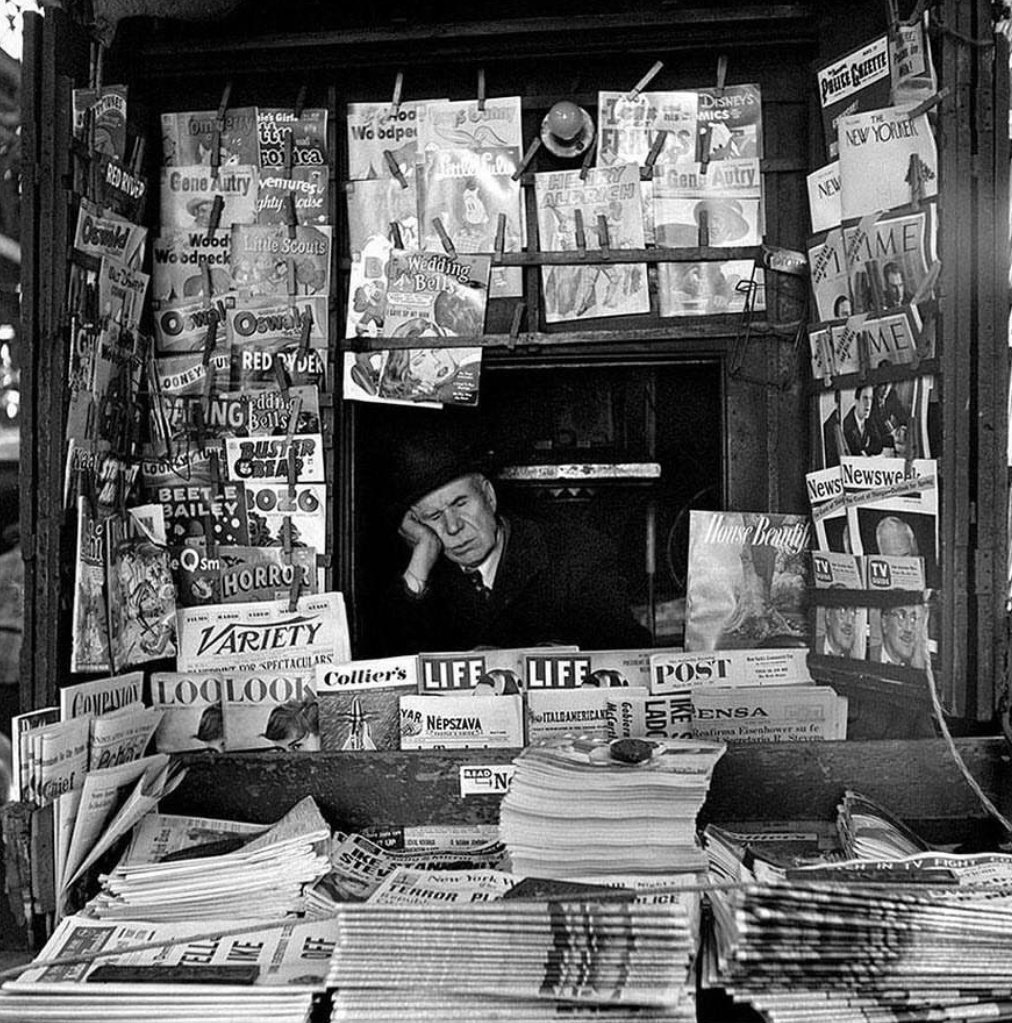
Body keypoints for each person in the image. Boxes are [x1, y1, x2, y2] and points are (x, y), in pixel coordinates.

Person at [380, 428, 650, 655]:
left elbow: (626, 649)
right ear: (415, 524)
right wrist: (422, 556)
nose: (453, 527)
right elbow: (388, 663)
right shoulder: (420, 574)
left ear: (488, 495)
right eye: (434, 516)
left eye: (460, 503)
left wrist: (521, 661)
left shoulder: (577, 552)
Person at [842, 386, 883, 457]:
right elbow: (855, 452)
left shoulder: (869, 419)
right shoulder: (847, 423)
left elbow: (878, 445)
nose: (868, 404)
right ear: (856, 401)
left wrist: (866, 452)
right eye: (865, 398)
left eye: (870, 399)